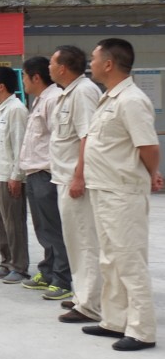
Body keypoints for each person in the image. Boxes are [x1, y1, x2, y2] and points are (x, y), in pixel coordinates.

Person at [81, 38, 161, 351]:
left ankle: (142, 330)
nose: (90, 64)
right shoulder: (109, 98)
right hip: (104, 188)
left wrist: (150, 174)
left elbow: (148, 146)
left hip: (123, 191)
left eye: (94, 58)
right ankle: (115, 320)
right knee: (110, 259)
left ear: (108, 64)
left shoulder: (131, 100)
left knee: (129, 260)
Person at [48, 46, 104, 324]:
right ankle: (83, 294)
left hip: (76, 180)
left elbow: (87, 137)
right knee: (75, 241)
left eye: (52, 63)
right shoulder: (68, 93)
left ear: (62, 68)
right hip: (64, 177)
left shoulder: (83, 92)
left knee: (85, 241)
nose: (49, 67)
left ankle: (91, 304)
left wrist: (80, 176)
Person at [18, 57, 69, 299]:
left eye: (24, 76)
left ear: (35, 77)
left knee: (53, 228)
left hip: (46, 173)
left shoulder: (53, 99)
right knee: (42, 228)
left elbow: (58, 139)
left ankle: (62, 279)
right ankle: (48, 271)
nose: (23, 81)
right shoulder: (40, 100)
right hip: (33, 171)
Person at [0, 67, 29, 284]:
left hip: (7, 176)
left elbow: (20, 145)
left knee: (13, 224)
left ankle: (19, 266)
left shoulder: (16, 110)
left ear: (1, 86)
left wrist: (16, 175)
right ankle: (6, 262)